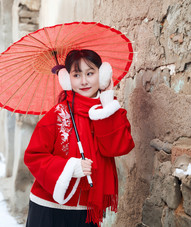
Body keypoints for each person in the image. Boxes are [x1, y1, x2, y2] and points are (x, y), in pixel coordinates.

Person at [24, 49, 135, 227]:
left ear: (103, 74)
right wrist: (71, 167)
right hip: (50, 208)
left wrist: (107, 106)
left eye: (90, 73)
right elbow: (33, 156)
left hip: (87, 211)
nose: (84, 81)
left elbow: (118, 147)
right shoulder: (56, 115)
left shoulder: (111, 111)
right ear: (67, 79)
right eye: (76, 75)